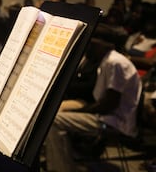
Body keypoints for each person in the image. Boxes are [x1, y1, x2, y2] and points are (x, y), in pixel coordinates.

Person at [44, 37, 142, 172]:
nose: (88, 47)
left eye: (93, 44)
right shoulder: (108, 61)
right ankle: (65, 161)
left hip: (115, 121)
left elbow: (110, 104)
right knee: (56, 116)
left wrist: (81, 111)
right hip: (108, 116)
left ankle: (61, 168)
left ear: (105, 45)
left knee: (55, 120)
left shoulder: (115, 63)